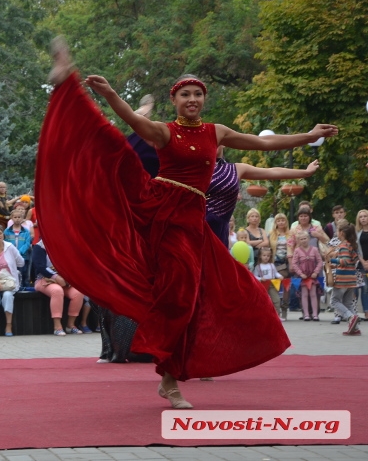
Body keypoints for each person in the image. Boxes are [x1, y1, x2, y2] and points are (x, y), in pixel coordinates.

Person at [36, 39, 336, 409]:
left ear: (203, 99)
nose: (192, 100)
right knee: (179, 294)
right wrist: (112, 94)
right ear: (175, 100)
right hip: (161, 212)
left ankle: (173, 372)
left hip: (194, 222)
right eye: (185, 95)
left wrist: (310, 136)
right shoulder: (165, 132)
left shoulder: (217, 132)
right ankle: (170, 381)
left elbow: (264, 148)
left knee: (225, 291)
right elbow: (131, 120)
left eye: (197, 94)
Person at [32, 240, 84, 336]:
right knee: (57, 290)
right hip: (44, 280)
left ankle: (70, 325)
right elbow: (40, 267)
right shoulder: (39, 247)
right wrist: (56, 277)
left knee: (78, 293)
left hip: (64, 280)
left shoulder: (62, 243)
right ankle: (57, 327)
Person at [330, 221, 361, 335]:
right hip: (351, 279)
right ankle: (355, 328)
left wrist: (331, 260)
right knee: (348, 303)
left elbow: (345, 261)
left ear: (342, 233)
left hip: (342, 279)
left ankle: (350, 317)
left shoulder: (343, 245)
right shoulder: (351, 245)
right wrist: (337, 264)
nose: (336, 232)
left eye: (337, 231)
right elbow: (353, 261)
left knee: (334, 301)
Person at [291, 231, 323, 322]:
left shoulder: (315, 249)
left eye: (305, 238)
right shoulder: (297, 250)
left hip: (312, 276)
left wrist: (316, 272)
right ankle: (306, 314)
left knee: (313, 294)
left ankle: (315, 314)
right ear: (298, 241)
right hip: (303, 277)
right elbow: (294, 263)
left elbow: (320, 262)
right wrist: (300, 273)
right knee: (304, 295)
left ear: (308, 239)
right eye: (301, 239)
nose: (303, 240)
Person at [268, 213, 293, 320]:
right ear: (276, 223)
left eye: (283, 220)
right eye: (278, 220)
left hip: (287, 263)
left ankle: (284, 310)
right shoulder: (271, 234)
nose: (281, 222)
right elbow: (268, 249)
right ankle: (275, 311)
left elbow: (294, 248)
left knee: (287, 287)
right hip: (275, 263)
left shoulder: (291, 234)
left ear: (286, 222)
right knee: (274, 288)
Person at [4, 209, 32, 285]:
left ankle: (23, 288)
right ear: (12, 218)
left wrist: (19, 252)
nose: (17, 219)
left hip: (23, 257)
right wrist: (13, 253)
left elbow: (27, 244)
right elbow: (5, 243)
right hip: (10, 257)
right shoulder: (7, 231)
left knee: (23, 274)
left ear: (22, 218)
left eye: (19, 217)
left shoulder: (26, 231)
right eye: (15, 217)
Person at [253, 247, 283, 318]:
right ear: (260, 256)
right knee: (263, 301)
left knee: (276, 300)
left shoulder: (272, 265)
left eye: (268, 256)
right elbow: (254, 276)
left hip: (272, 285)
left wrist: (280, 276)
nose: (266, 257)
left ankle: (276, 315)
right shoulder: (258, 267)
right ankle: (263, 315)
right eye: (264, 255)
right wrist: (260, 278)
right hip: (263, 286)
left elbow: (275, 273)